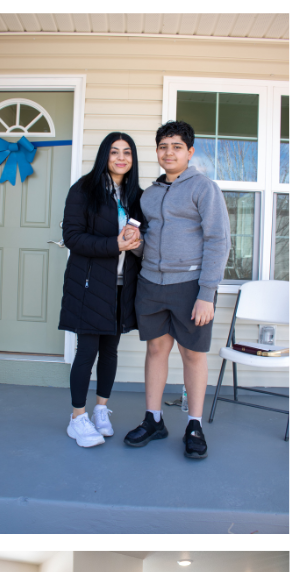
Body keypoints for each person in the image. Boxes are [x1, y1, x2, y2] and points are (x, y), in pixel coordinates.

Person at [124, 120, 230, 459]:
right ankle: (153, 419)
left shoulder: (203, 188)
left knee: (192, 355)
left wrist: (206, 293)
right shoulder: (150, 193)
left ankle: (194, 424)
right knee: (156, 350)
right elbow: (148, 241)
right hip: (151, 284)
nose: (169, 152)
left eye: (176, 146)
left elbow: (218, 240)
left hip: (189, 286)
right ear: (157, 151)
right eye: (163, 146)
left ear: (189, 152)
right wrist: (135, 244)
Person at [59, 132, 148, 447]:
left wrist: (136, 246)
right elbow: (73, 237)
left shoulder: (136, 195)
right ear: (104, 156)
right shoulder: (84, 190)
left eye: (127, 152)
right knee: (88, 350)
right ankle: (77, 418)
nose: (121, 158)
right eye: (114, 152)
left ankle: (100, 410)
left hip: (123, 287)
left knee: (111, 350)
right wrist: (114, 244)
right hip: (89, 284)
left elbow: (141, 241)